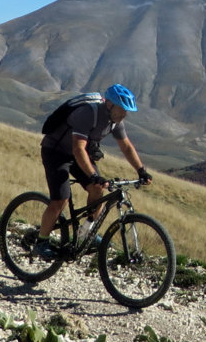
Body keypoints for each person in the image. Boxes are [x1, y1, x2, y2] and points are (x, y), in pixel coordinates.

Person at [34, 83, 152, 255]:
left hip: (78, 155)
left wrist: (141, 170)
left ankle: (85, 234)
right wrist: (94, 174)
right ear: (110, 104)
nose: (124, 114)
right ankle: (41, 242)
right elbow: (78, 148)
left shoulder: (115, 121)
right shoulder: (88, 114)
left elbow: (126, 147)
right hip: (56, 152)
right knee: (61, 200)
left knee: (98, 190)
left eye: (127, 111)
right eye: (122, 109)